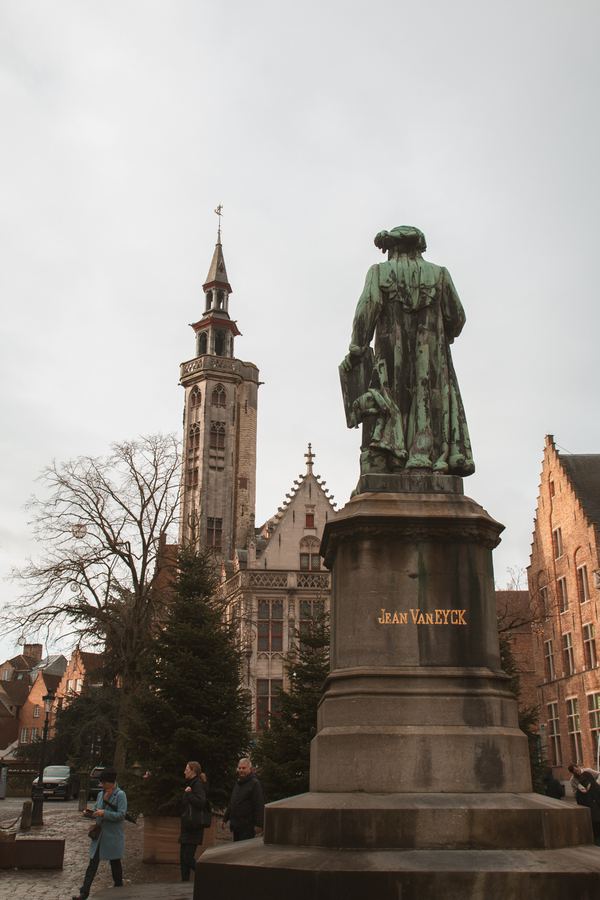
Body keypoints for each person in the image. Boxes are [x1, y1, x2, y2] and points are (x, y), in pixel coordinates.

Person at [340, 225, 474, 478]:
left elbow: (366, 309)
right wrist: (438, 334)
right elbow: (457, 317)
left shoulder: (380, 272)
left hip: (391, 354)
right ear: (418, 247)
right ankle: (425, 456)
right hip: (432, 357)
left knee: (392, 400)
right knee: (428, 399)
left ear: (390, 249)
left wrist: (357, 349)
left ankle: (395, 458)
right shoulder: (440, 274)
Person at [72, 766, 126, 900]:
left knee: (115, 864)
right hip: (100, 835)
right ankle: (84, 892)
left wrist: (104, 813)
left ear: (110, 781)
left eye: (104, 783)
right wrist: (90, 814)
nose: (103, 785)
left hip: (112, 836)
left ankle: (119, 888)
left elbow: (121, 815)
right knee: (93, 864)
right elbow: (97, 811)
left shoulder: (120, 795)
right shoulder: (101, 794)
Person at [179, 761, 208, 883]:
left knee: (188, 858)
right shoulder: (191, 783)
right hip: (187, 826)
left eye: (187, 769)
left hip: (194, 827)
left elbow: (201, 802)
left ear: (193, 771)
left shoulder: (197, 784)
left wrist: (189, 794)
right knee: (182, 859)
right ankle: (184, 883)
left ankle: (208, 876)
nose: (184, 771)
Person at [221, 758, 264, 842]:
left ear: (250, 769)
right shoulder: (238, 784)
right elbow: (232, 803)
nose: (241, 770)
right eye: (239, 768)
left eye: (243, 768)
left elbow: (258, 804)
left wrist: (258, 824)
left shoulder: (254, 784)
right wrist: (225, 819)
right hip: (236, 826)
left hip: (247, 827)